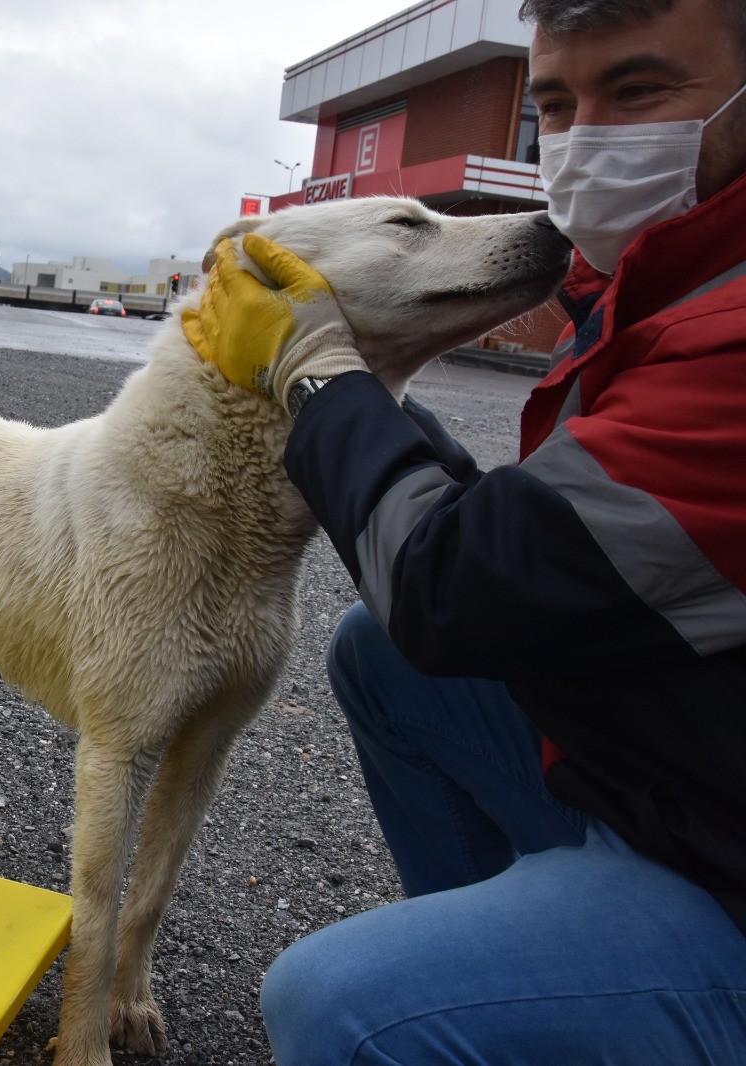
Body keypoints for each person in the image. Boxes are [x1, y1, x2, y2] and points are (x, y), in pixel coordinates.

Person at [200, 0, 746, 1061]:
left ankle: (473, 1011)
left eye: (638, 90)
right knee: (379, 654)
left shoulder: (727, 337)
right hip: (689, 783)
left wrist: (321, 377)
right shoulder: (657, 283)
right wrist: (365, 390)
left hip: (723, 867)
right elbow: (529, 544)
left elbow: (455, 591)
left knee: (337, 1004)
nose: (586, 135)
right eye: (555, 102)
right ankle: (516, 1011)